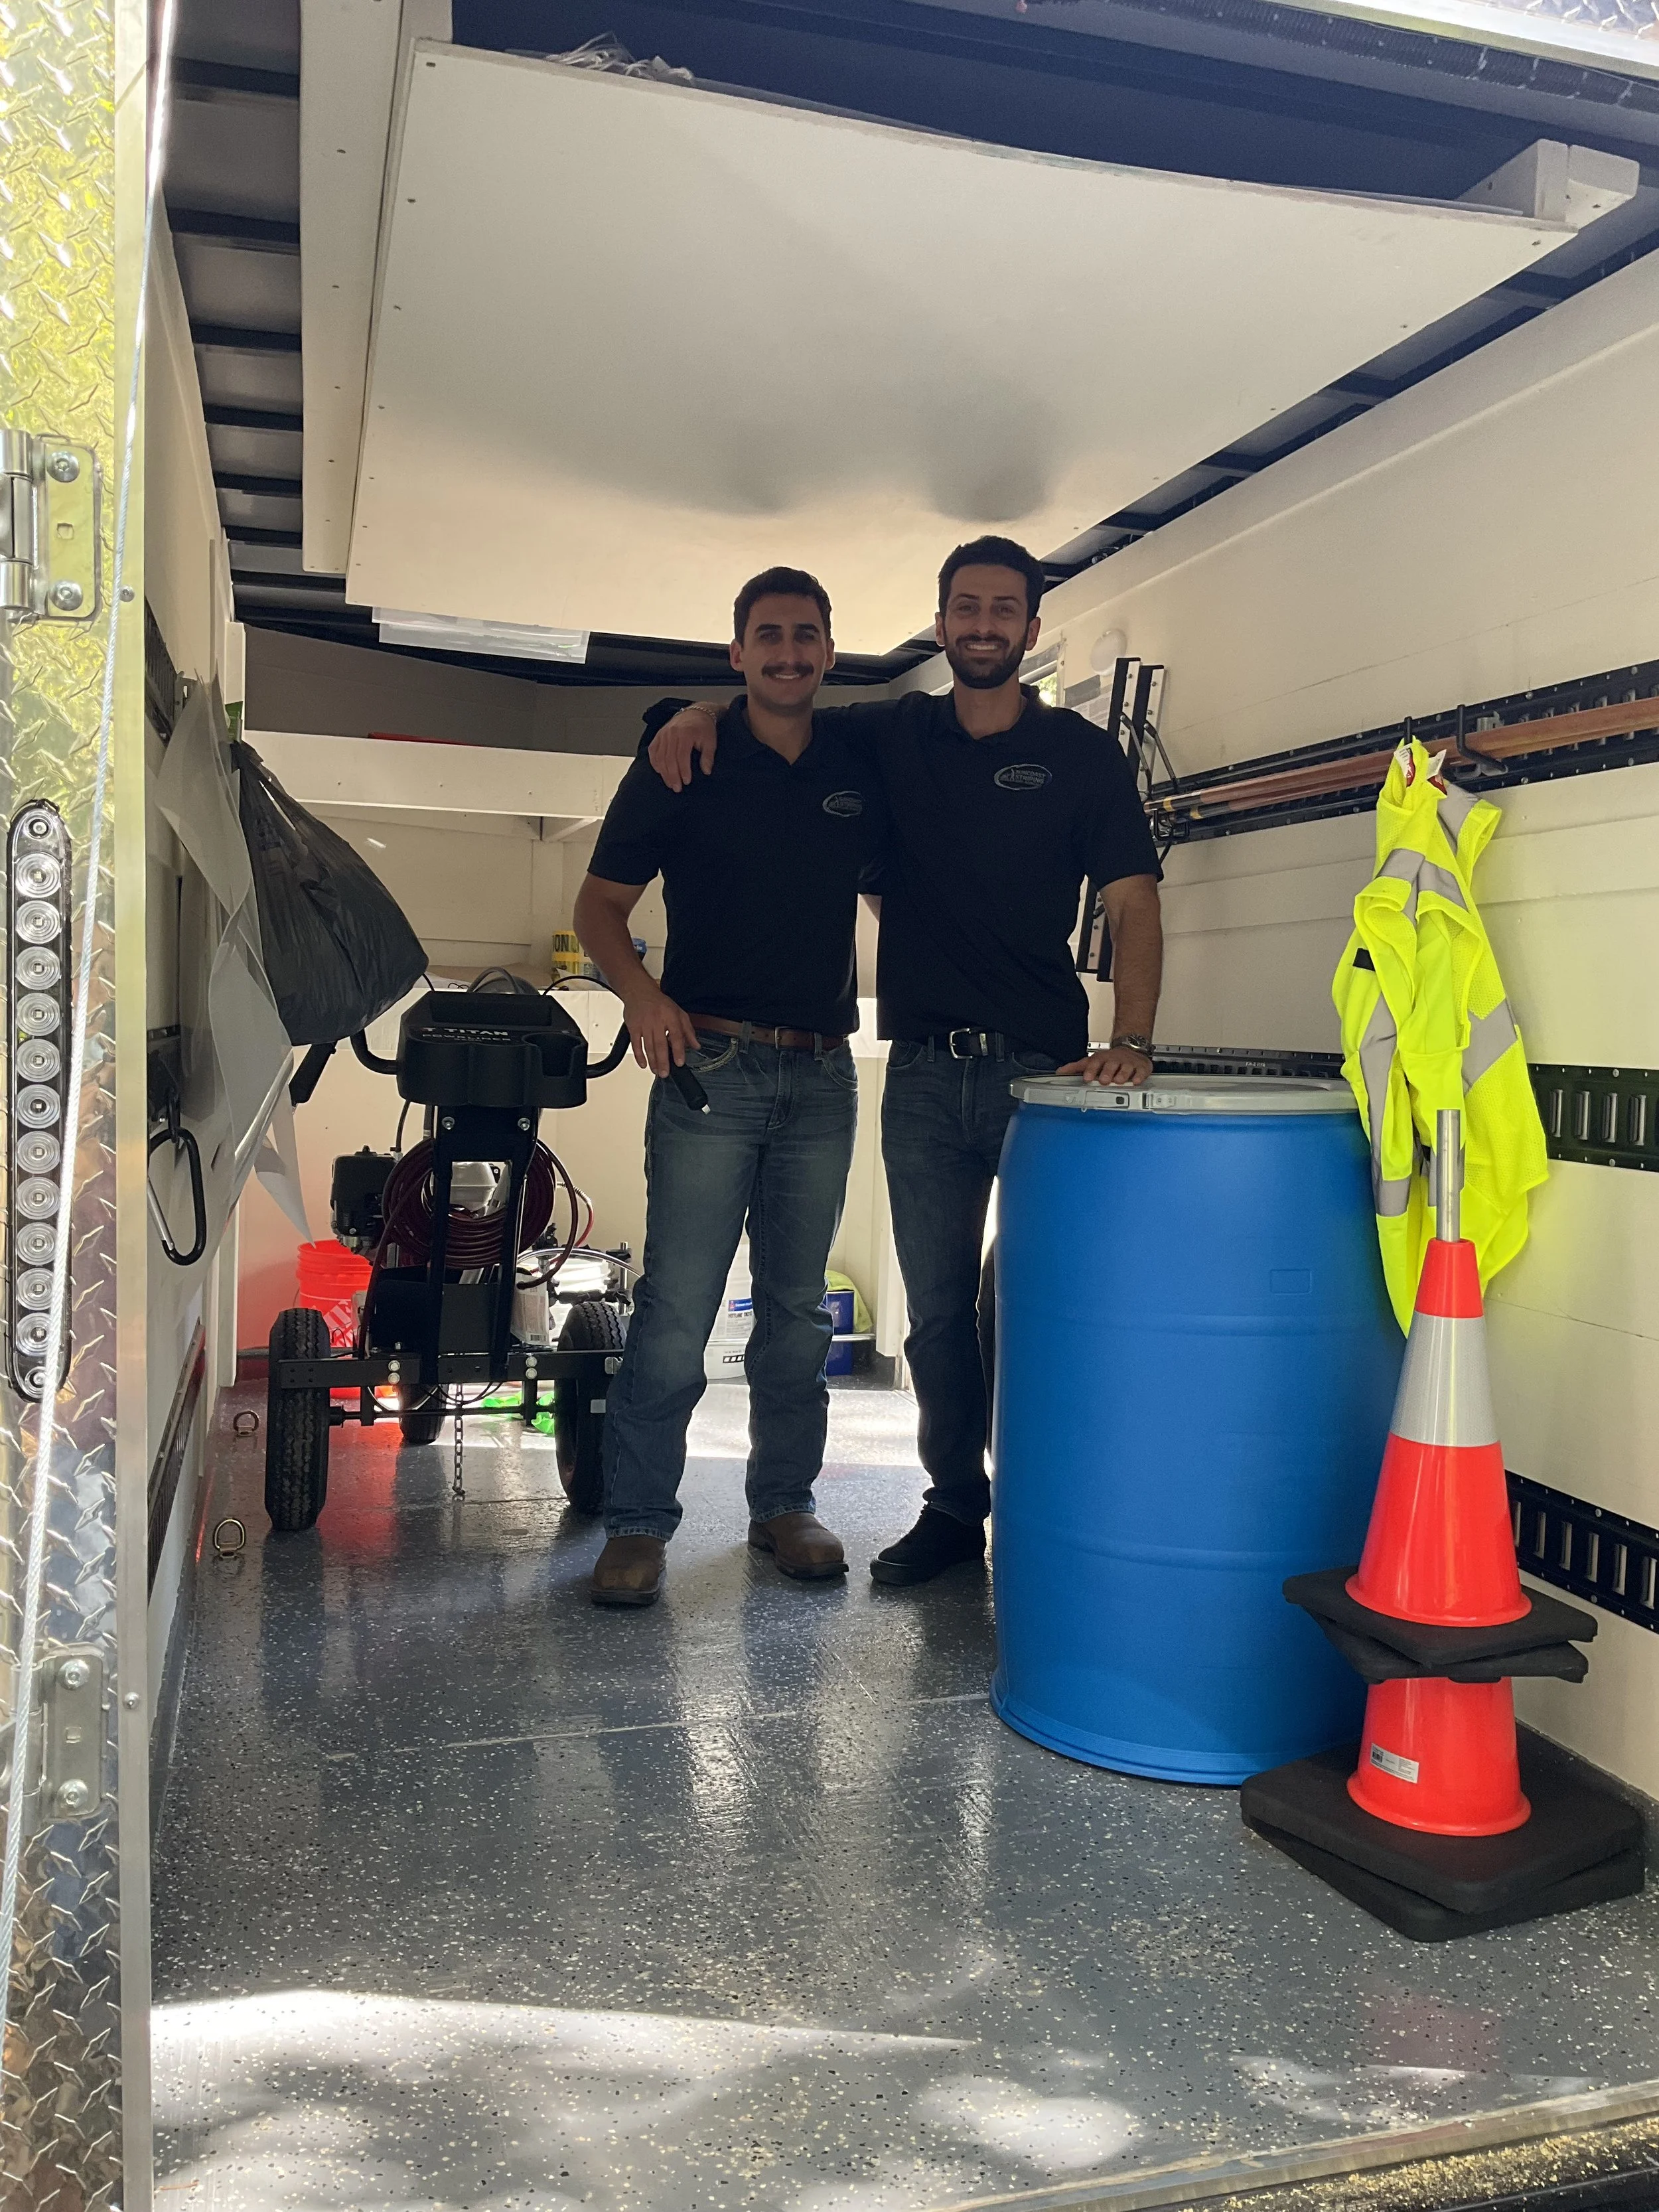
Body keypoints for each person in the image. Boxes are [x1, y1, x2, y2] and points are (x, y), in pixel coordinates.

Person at [644, 535, 1163, 1587]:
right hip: (922, 1074)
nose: (982, 625)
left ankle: (1052, 1505)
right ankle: (952, 1510)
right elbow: (774, 706)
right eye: (965, 607)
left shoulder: (1081, 756)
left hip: (1049, 1081)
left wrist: (1135, 1038)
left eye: (1003, 609)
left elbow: (1134, 901)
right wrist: (678, 715)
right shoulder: (896, 732)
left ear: (1027, 625)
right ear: (939, 622)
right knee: (934, 1316)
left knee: (1044, 1302)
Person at [573, 567, 885, 1608]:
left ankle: (784, 1506)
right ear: (737, 651)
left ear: (830, 652)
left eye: (806, 636)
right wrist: (642, 998)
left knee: (796, 1313)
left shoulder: (861, 757)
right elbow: (601, 908)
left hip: (823, 1073)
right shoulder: (683, 760)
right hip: (710, 1067)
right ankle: (637, 1525)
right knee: (676, 1309)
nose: (788, 652)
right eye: (768, 636)